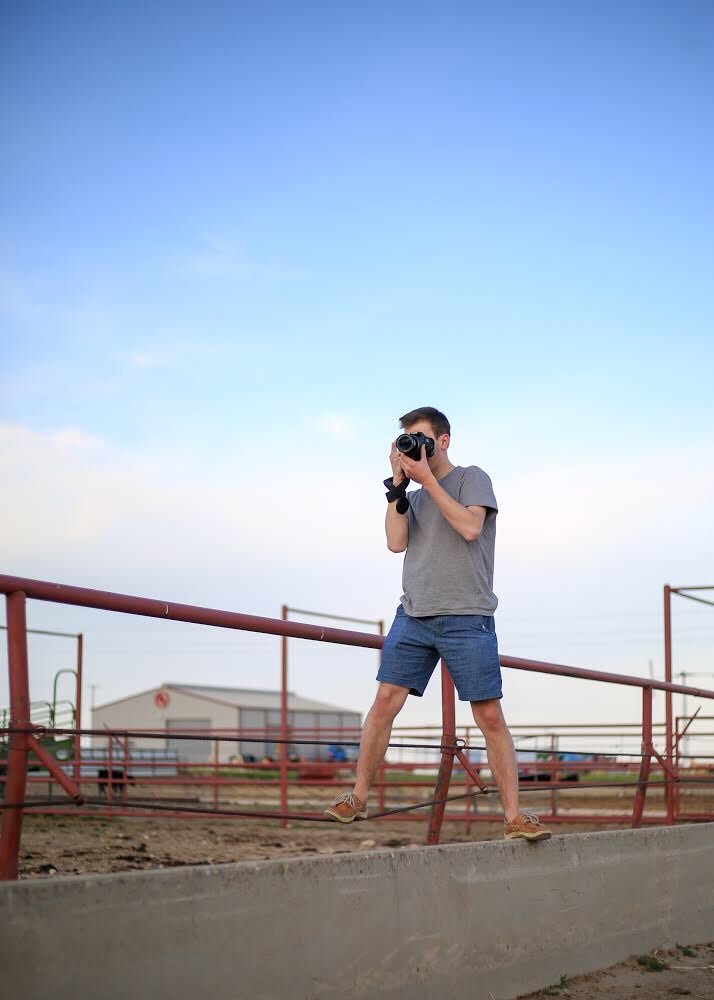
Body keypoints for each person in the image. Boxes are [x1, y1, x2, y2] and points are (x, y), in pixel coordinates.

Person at [324, 406, 551, 842]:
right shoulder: (415, 494)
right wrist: (397, 489)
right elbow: (395, 543)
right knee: (385, 701)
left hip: (467, 615)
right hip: (414, 614)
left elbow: (469, 527)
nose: (416, 446)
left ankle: (514, 817)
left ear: (443, 441)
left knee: (487, 714)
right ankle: (356, 796)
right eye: (408, 439)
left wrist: (426, 478)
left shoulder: (471, 477)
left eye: (422, 438)